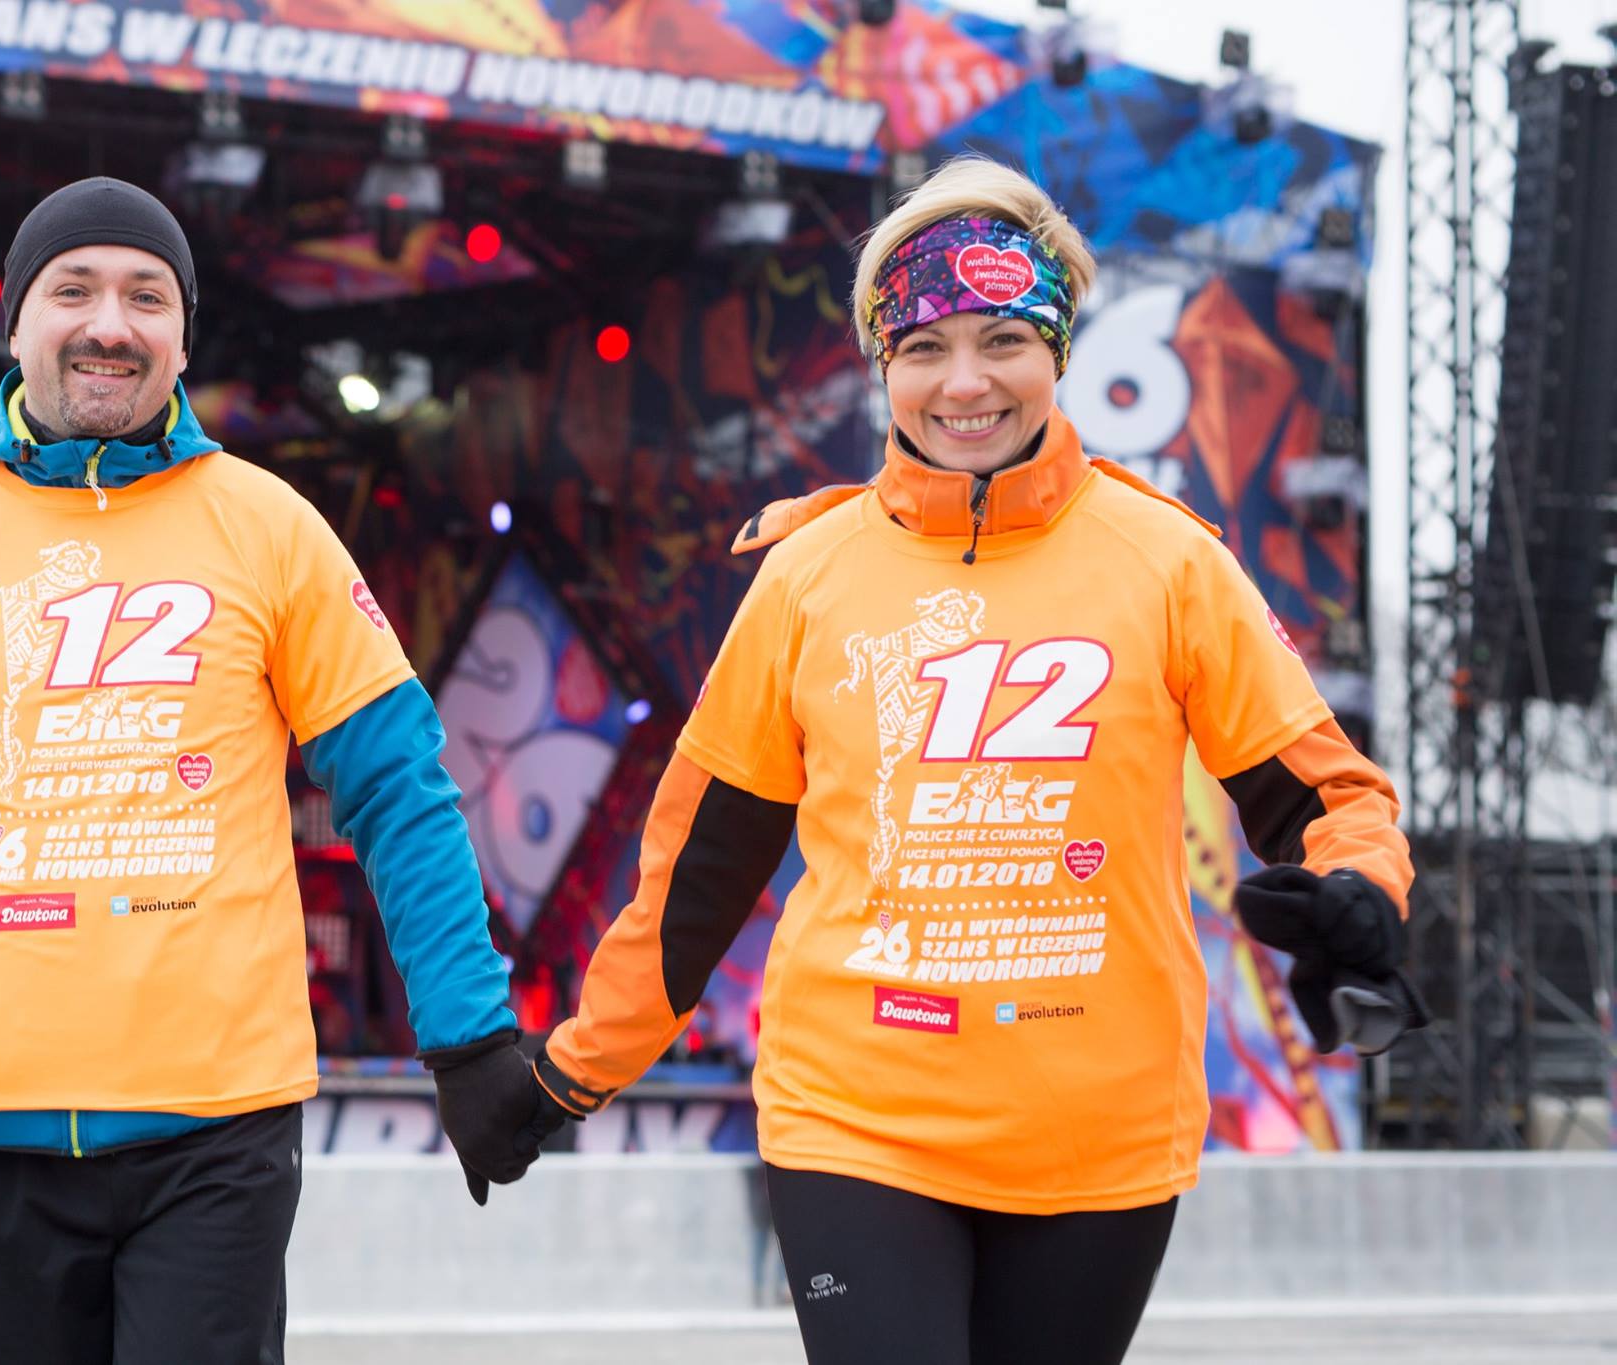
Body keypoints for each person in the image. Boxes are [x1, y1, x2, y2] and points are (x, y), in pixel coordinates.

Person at [488, 157, 1429, 1364]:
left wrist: (1359, 893)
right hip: (854, 1119)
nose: (964, 381)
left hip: (1096, 1133)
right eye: (922, 346)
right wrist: (571, 1071)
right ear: (881, 363)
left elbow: (1324, 793)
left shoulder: (1168, 562)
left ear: (1057, 349)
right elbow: (698, 876)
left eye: (1002, 340)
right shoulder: (807, 576)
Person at [0, 177, 536, 1365]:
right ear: (15, 324)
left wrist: (469, 1037)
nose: (110, 324)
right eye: (72, 290)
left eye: (147, 297)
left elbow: (400, 788)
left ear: (184, 338)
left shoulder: (270, 527)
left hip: (216, 1128)